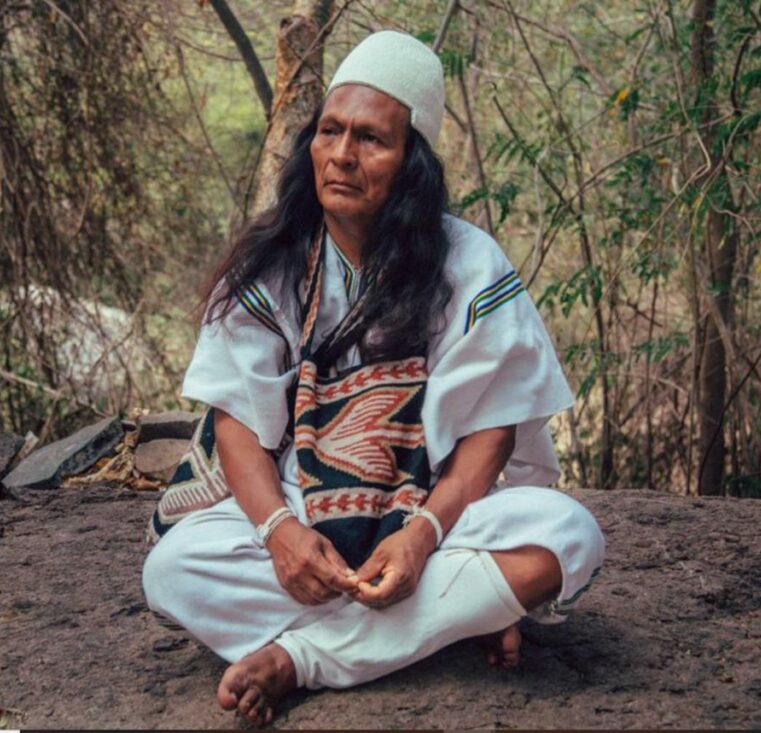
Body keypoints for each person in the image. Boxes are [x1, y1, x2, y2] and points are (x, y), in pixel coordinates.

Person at [142, 30, 605, 725]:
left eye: (370, 140)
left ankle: (300, 659)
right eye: (329, 132)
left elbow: (491, 436)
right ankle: (445, 621)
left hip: (431, 516)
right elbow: (236, 421)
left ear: (411, 163)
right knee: (172, 569)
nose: (342, 156)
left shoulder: (471, 267)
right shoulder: (273, 262)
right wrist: (280, 534)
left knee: (568, 536)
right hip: (301, 522)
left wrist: (419, 537)